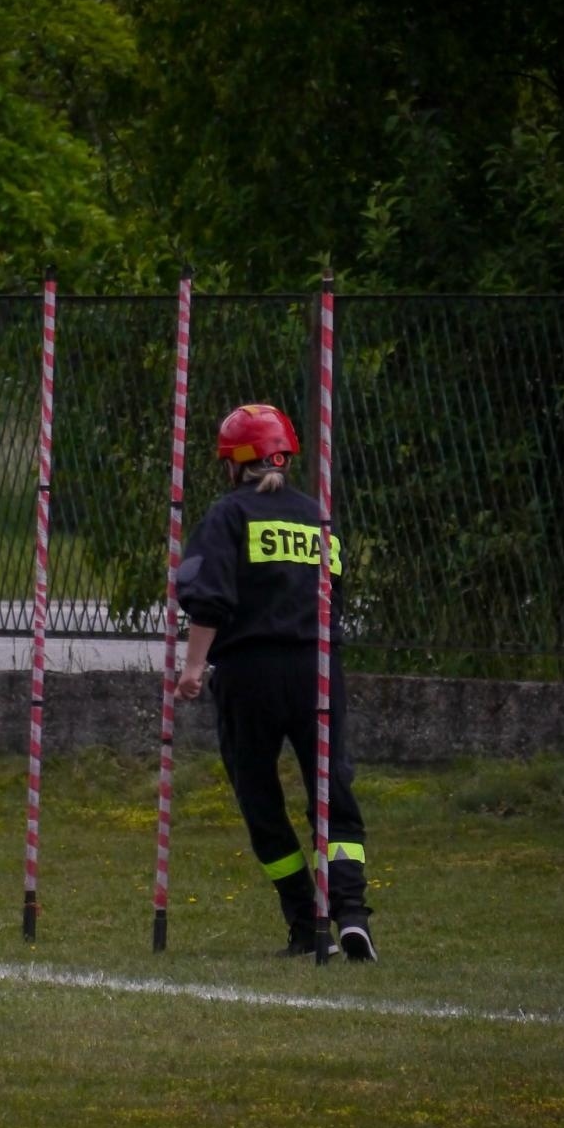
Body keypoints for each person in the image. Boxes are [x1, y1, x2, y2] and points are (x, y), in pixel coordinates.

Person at [174, 403, 376, 961]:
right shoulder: (318, 516)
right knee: (332, 794)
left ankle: (305, 921)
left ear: (233, 462)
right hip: (319, 671)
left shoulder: (229, 515)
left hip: (250, 674)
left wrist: (193, 669)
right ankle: (353, 912)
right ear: (285, 454)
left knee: (261, 798)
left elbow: (209, 596)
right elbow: (334, 592)